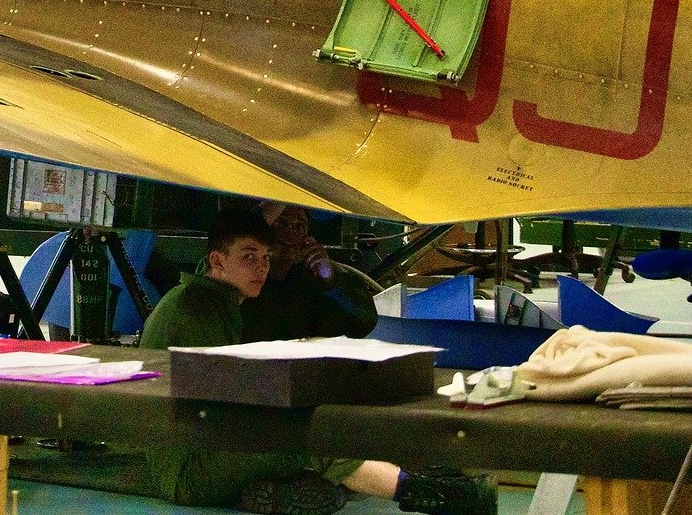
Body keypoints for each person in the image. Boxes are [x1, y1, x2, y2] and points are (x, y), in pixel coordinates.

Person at [100, 209, 495, 515]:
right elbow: (214, 406)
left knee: (313, 431)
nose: (262, 267)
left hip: (200, 448)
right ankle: (437, 496)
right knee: (312, 439)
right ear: (217, 262)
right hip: (189, 465)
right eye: (249, 256)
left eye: (265, 257)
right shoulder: (195, 313)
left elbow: (359, 318)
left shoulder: (215, 301)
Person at [243, 202, 378, 343]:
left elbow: (362, 324)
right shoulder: (240, 276)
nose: (290, 232)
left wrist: (331, 280)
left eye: (299, 226)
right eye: (280, 223)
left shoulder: (308, 280)